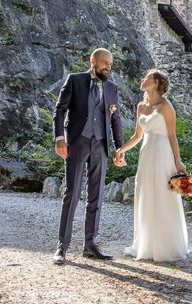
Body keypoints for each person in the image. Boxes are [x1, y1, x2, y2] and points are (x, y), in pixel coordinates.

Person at [52, 48, 124, 265]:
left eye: (110, 65)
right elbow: (59, 110)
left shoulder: (112, 88)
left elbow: (115, 120)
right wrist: (59, 138)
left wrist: (119, 148)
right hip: (77, 142)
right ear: (93, 61)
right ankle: (62, 247)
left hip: (100, 145)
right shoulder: (75, 80)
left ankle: (90, 245)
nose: (108, 67)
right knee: (72, 193)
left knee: (97, 196)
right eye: (104, 63)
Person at [114, 68, 189, 262]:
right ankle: (146, 244)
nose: (142, 79)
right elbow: (138, 136)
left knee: (163, 196)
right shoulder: (140, 106)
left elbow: (172, 136)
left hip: (163, 154)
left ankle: (167, 246)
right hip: (146, 154)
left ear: (156, 82)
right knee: (145, 194)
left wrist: (178, 161)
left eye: (147, 77)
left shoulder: (166, 106)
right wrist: (122, 149)